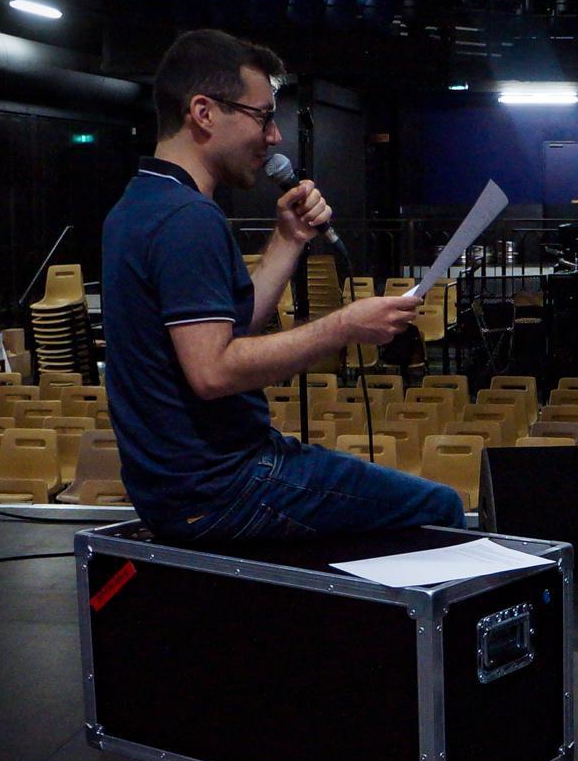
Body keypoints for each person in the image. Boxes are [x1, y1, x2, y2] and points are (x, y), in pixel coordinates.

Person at [101, 29, 463, 542]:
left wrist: (289, 239)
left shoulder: (138, 205)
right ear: (203, 112)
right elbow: (212, 371)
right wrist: (344, 325)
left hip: (175, 491)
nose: (273, 136)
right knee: (440, 507)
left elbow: (230, 329)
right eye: (262, 116)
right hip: (224, 487)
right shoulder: (187, 218)